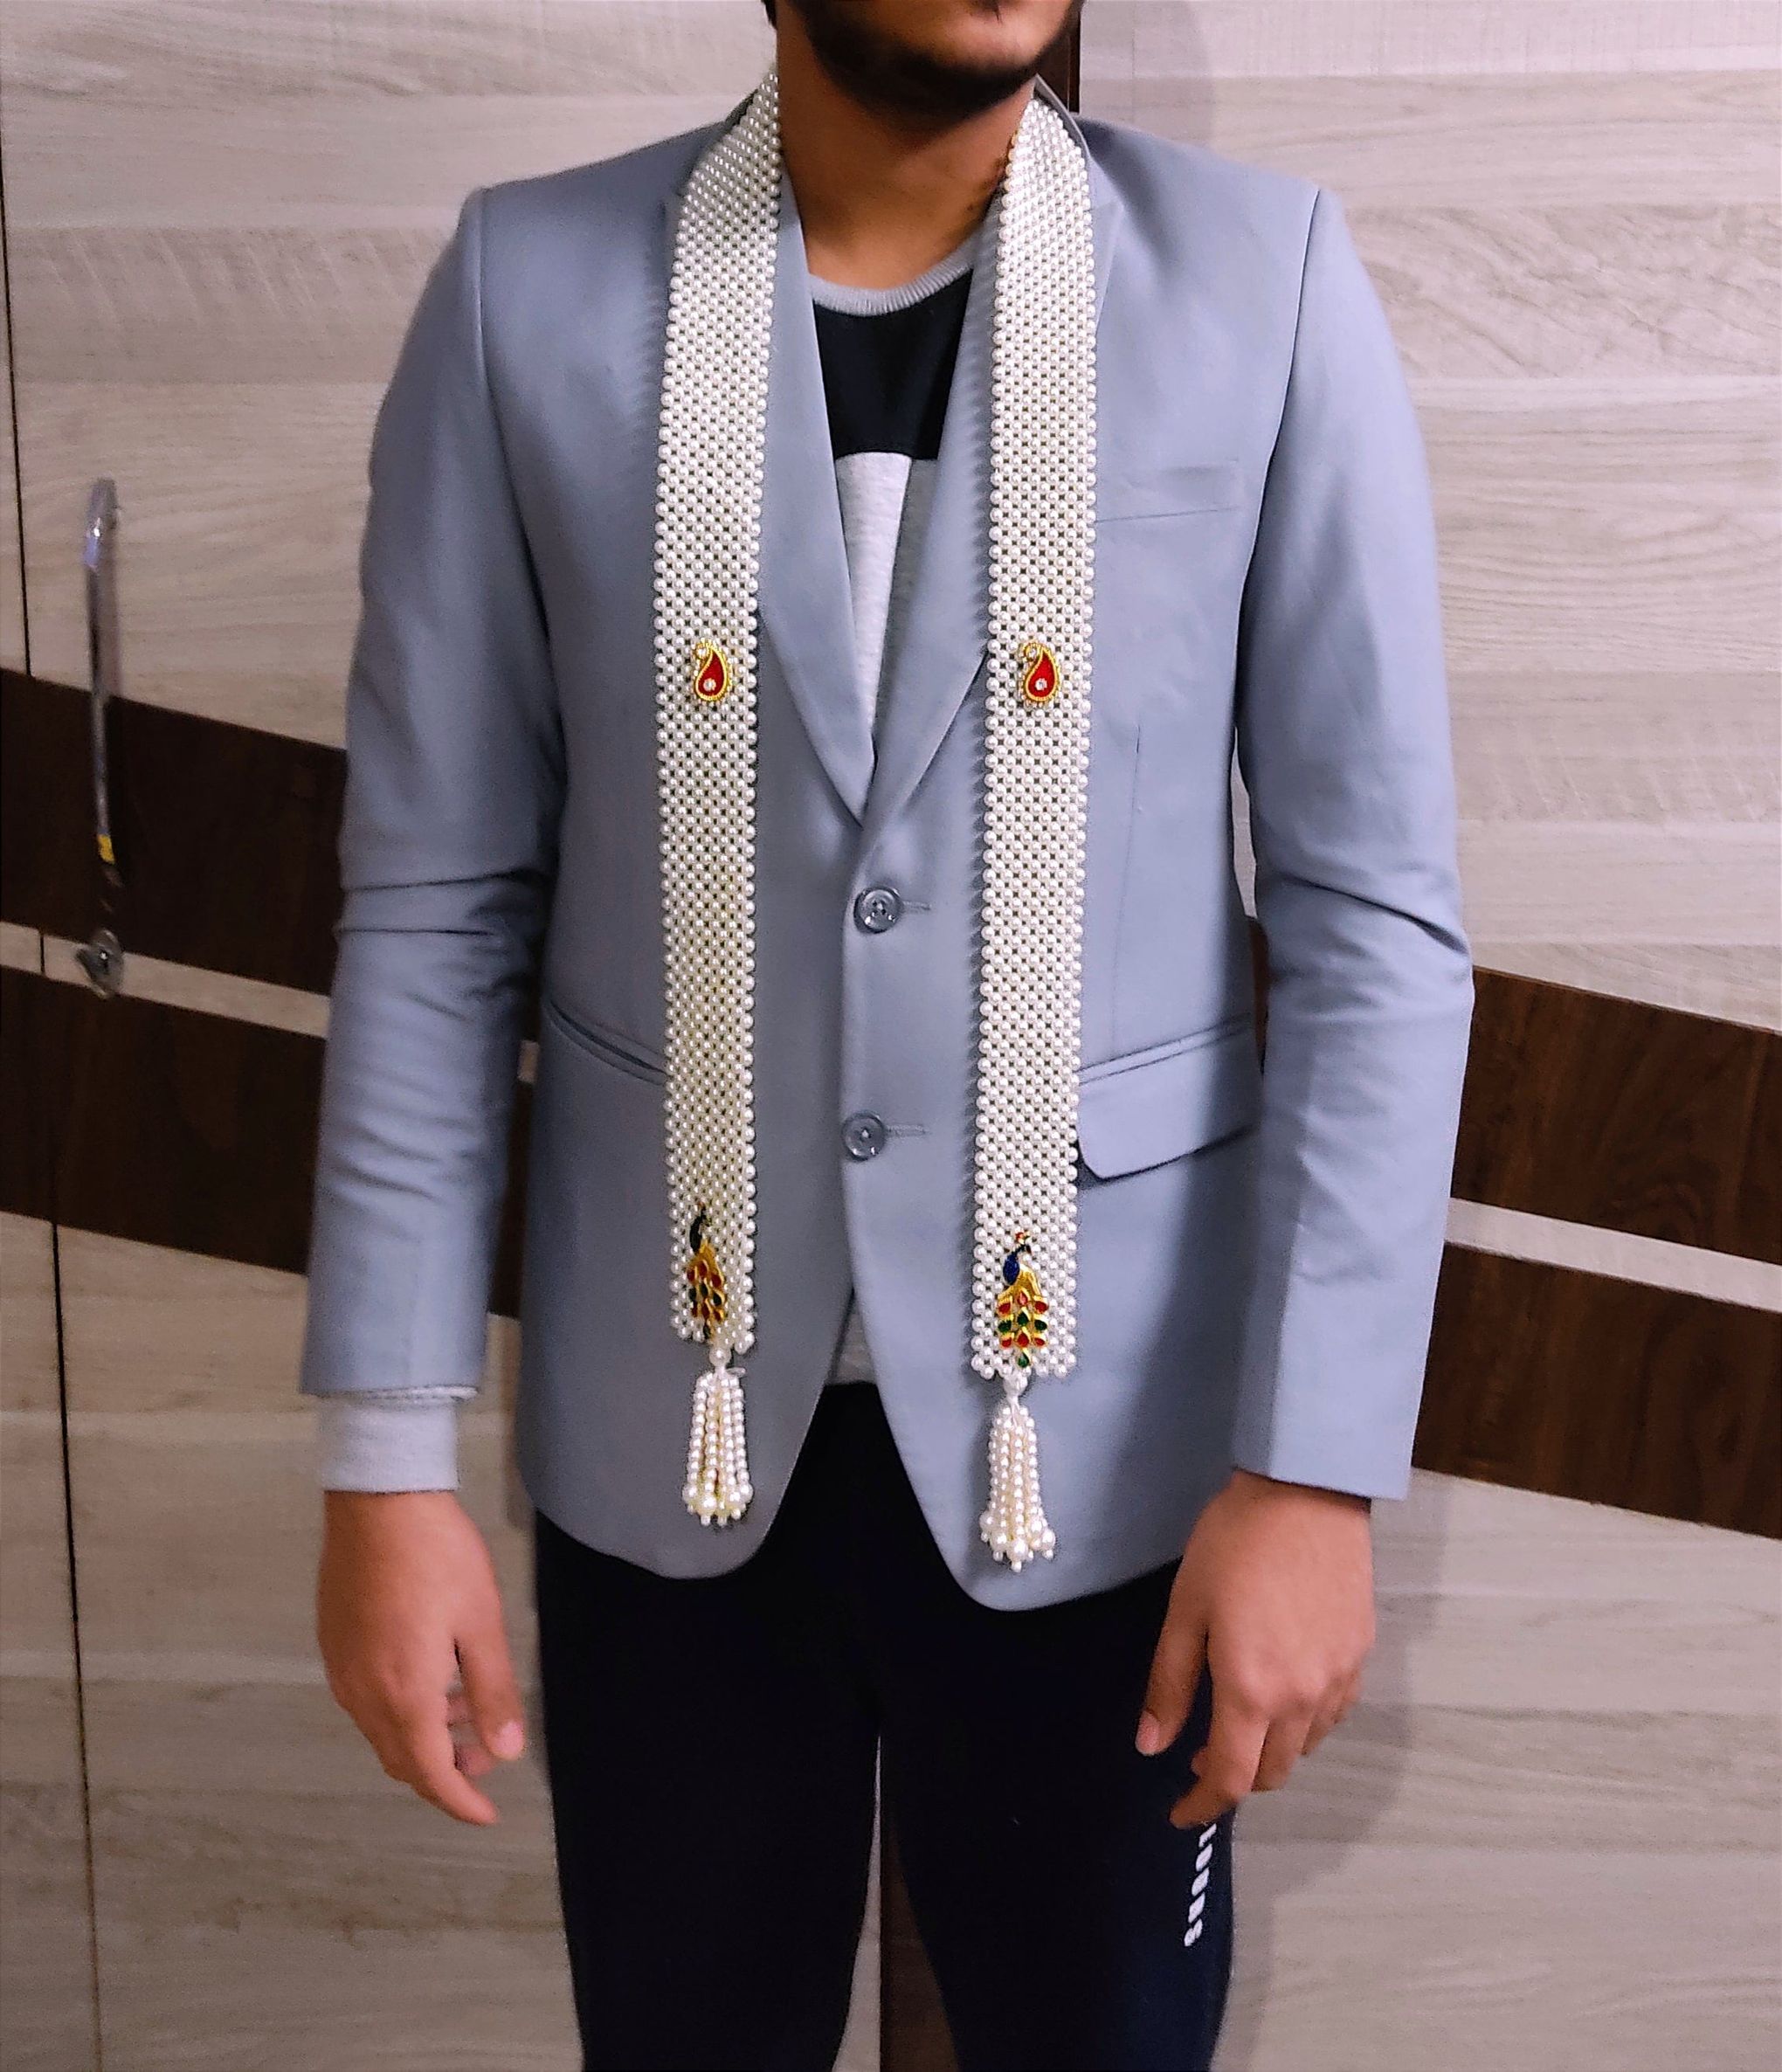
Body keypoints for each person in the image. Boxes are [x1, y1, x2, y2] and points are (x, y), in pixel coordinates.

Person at [302, 3, 1475, 2067]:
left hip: (1106, 1450)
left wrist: (1313, 1469)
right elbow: (433, 903)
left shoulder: (1264, 281)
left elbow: (1370, 919)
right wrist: (383, 1463)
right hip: (670, 1431)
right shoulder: (525, 290)